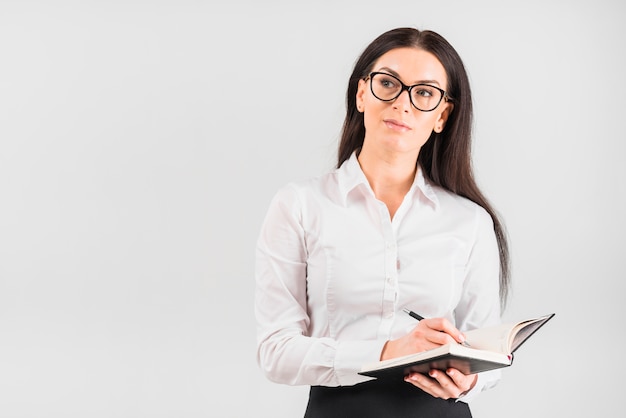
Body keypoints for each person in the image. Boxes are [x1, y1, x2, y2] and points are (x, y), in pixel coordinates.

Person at [254, 27, 511, 417]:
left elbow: (485, 352)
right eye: (388, 83)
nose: (403, 104)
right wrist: (389, 352)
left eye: (424, 92)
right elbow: (275, 351)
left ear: (442, 115)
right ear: (361, 93)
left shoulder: (470, 222)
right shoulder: (300, 205)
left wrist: (471, 379)